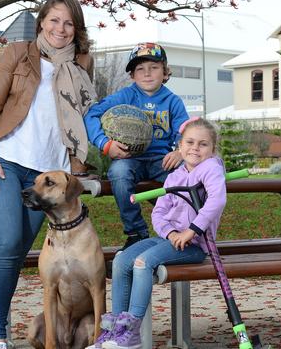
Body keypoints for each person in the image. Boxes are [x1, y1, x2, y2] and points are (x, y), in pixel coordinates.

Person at [0, 0, 96, 349]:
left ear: (76, 28)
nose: (61, 28)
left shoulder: (82, 64)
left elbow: (83, 118)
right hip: (5, 161)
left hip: (47, 175)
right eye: (54, 19)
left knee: (12, 255)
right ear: (42, 21)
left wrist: (78, 168)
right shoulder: (17, 53)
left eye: (69, 22)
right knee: (6, 244)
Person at [90, 117, 227, 349]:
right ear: (180, 146)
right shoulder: (174, 176)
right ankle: (116, 332)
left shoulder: (211, 169)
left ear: (212, 149)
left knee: (143, 262)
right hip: (171, 239)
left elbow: (216, 200)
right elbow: (159, 212)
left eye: (203, 144)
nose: (195, 148)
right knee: (122, 260)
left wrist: (190, 230)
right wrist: (171, 232)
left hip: (194, 245)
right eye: (190, 142)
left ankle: (131, 334)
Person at [84, 42, 189, 250]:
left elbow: (186, 131)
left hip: (162, 160)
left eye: (154, 68)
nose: (147, 74)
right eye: (140, 69)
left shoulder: (173, 101)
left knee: (186, 177)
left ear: (165, 72)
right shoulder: (125, 96)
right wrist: (106, 145)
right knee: (119, 174)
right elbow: (91, 115)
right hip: (129, 158)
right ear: (132, 75)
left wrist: (180, 151)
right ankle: (136, 232)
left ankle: (182, 231)